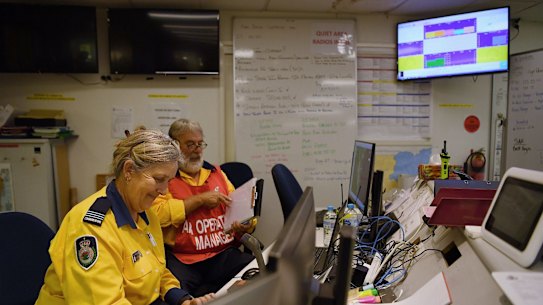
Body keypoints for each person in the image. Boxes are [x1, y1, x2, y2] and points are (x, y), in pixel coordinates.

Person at [35, 129, 214, 305]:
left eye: (168, 181)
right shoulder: (91, 228)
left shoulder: (146, 213)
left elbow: (156, 270)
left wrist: (182, 300)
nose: (164, 190)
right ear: (128, 170)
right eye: (159, 179)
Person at [152, 118, 256, 296]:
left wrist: (246, 224)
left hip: (221, 253)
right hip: (183, 258)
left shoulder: (217, 173)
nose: (198, 150)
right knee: (170, 292)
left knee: (257, 272)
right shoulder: (165, 176)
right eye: (191, 144)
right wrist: (200, 200)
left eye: (200, 144)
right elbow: (157, 215)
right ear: (175, 146)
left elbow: (237, 210)